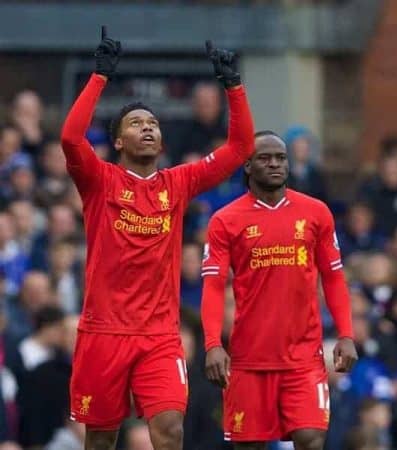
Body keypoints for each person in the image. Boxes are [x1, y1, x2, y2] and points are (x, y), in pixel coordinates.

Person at [60, 26, 254, 450]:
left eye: (153, 123)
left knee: (169, 430)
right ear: (117, 140)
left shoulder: (178, 183)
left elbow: (240, 150)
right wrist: (99, 78)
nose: (147, 128)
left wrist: (233, 87)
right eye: (135, 123)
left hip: (159, 336)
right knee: (101, 440)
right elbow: (71, 138)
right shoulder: (99, 180)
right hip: (103, 332)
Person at [200, 131, 358, 450]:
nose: (275, 164)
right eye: (265, 158)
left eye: (281, 158)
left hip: (304, 356)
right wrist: (213, 344)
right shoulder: (225, 220)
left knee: (311, 439)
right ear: (247, 165)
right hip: (248, 358)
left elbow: (334, 277)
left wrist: (346, 334)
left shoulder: (316, 213)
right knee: (249, 446)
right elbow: (214, 286)